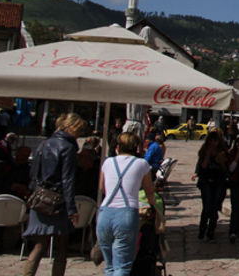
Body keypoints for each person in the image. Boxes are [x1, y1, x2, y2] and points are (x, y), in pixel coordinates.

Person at [23, 113, 88, 276]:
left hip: (41, 198)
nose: (80, 133)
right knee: (61, 246)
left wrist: (32, 194)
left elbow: (34, 172)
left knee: (40, 244)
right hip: (59, 200)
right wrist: (72, 208)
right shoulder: (68, 147)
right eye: (79, 129)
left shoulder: (44, 144)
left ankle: (27, 274)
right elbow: (68, 180)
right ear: (69, 127)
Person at [97, 131, 155, 276]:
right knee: (122, 266)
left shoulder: (108, 162)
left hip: (105, 212)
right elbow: (149, 190)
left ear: (118, 146)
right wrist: (152, 205)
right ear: (137, 147)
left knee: (109, 266)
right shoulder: (142, 164)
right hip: (126, 213)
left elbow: (102, 188)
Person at [193, 130, 228, 241]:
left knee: (214, 208)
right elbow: (202, 166)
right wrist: (208, 155)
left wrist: (221, 161)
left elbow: (225, 169)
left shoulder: (223, 151)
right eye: (211, 141)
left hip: (219, 181)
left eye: (215, 141)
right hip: (206, 181)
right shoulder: (204, 151)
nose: (213, 143)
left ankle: (211, 232)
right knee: (207, 207)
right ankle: (202, 230)